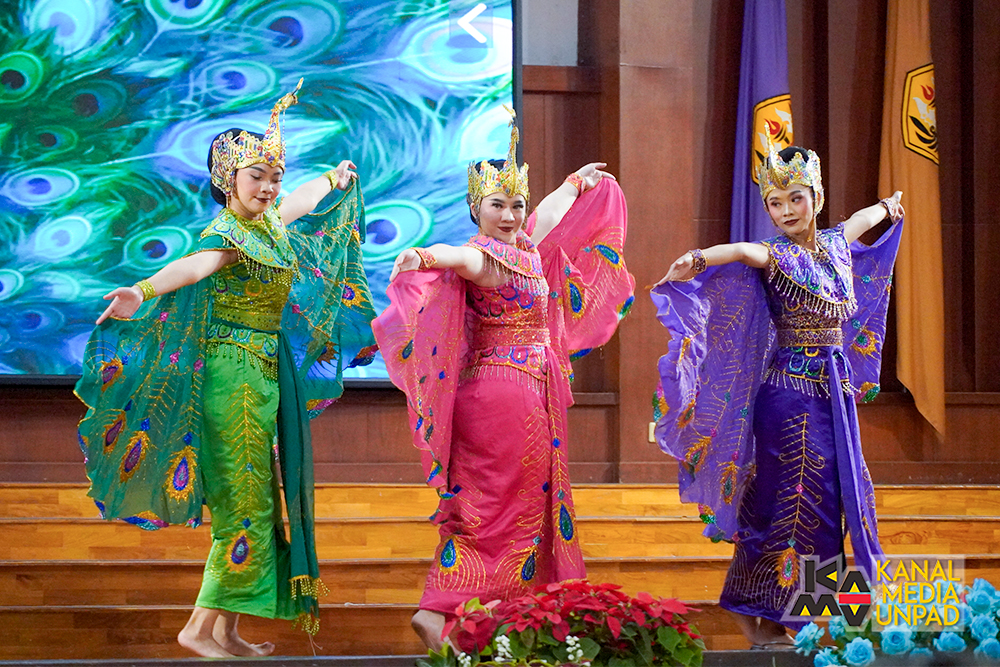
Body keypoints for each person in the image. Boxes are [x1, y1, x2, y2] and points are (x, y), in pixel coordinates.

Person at [75, 80, 377, 658]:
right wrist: (142, 290)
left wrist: (332, 179)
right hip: (231, 376)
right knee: (244, 504)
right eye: (256, 176)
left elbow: (301, 201)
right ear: (227, 179)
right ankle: (197, 629)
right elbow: (194, 267)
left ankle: (225, 630)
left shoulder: (268, 224)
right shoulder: (229, 235)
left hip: (260, 376)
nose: (268, 187)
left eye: (274, 177)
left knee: (258, 500)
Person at [372, 108, 635, 651]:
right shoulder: (485, 255)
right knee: (500, 505)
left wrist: (573, 184)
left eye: (517, 204)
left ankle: (473, 618)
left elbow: (547, 214)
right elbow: (457, 257)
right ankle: (448, 609)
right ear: (476, 208)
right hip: (505, 393)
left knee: (505, 503)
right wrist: (421, 253)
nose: (511, 215)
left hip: (522, 391)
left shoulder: (526, 250)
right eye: (498, 205)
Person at [651, 140, 904, 648]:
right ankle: (756, 614)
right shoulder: (774, 254)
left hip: (831, 397)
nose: (786, 210)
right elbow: (738, 251)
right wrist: (695, 259)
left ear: (816, 197)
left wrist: (888, 207)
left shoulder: (835, 243)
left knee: (825, 505)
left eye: (796, 198)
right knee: (784, 505)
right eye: (775, 202)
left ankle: (794, 620)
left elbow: (861, 220)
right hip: (788, 399)